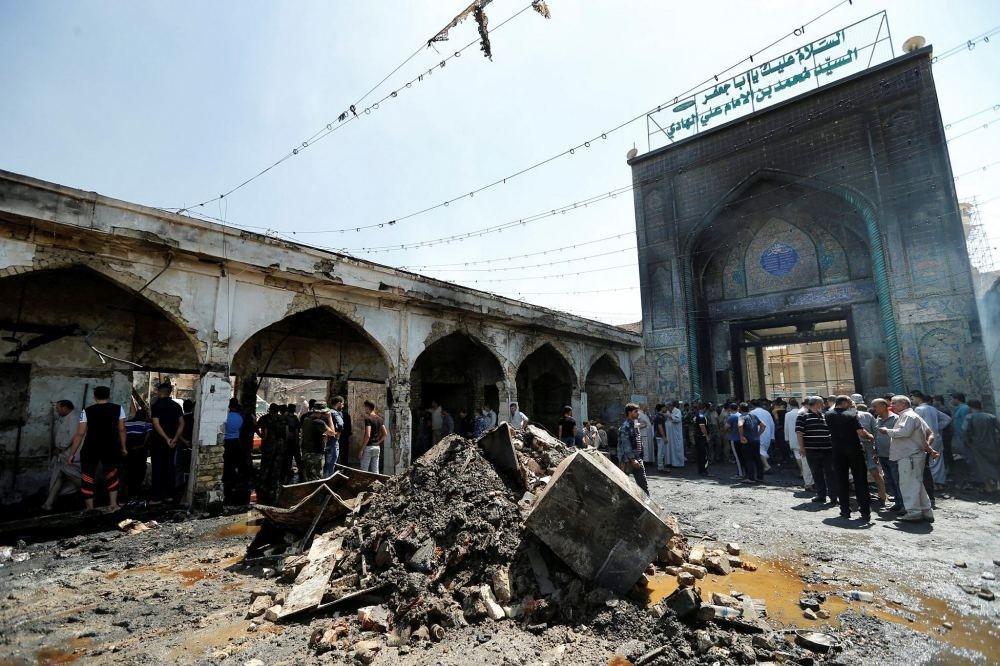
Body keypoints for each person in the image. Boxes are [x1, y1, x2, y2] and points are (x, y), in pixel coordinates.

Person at [66, 386, 127, 511]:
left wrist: (72, 454)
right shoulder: (118, 409)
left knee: (87, 477)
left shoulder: (87, 411)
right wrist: (124, 447)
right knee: (112, 475)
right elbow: (122, 429)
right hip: (111, 447)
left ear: (94, 397)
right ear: (109, 396)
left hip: (91, 447)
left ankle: (90, 508)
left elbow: (80, 433)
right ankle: (113, 504)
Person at [881, 395, 939, 522]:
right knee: (917, 484)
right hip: (913, 455)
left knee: (908, 484)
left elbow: (904, 432)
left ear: (903, 404)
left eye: (894, 403)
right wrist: (928, 448)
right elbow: (928, 432)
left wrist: (887, 431)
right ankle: (926, 510)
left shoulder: (908, 416)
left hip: (909, 456)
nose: (892, 405)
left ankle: (913, 512)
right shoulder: (911, 415)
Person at [826, 396, 876, 522]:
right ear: (844, 402)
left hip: (837, 450)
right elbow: (861, 432)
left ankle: (845, 510)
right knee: (860, 481)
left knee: (841, 480)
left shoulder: (828, 414)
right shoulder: (851, 414)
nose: (851, 404)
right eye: (849, 402)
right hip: (854, 449)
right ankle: (864, 511)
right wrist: (870, 437)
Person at [796, 396, 838, 505]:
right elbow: (799, 433)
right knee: (817, 473)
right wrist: (802, 448)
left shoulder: (824, 416)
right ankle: (821, 495)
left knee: (831, 474)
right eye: (821, 403)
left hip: (827, 450)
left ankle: (833, 496)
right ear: (816, 403)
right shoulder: (802, 416)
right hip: (812, 450)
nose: (823, 405)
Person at [42, 400, 82, 511]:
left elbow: (72, 435)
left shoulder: (74, 417)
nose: (56, 410)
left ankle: (89, 492)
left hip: (70, 454)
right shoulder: (67, 418)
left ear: (65, 407)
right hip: (63, 454)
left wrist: (60, 447)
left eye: (58, 408)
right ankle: (48, 503)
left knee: (71, 476)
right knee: (58, 476)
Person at [150, 382, 185, 504]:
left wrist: (166, 438)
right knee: (170, 467)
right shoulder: (176, 406)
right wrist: (174, 438)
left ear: (160, 392)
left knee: (157, 468)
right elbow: (182, 423)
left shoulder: (156, 405)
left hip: (159, 442)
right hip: (172, 442)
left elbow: (156, 423)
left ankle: (156, 498)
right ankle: (168, 495)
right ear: (170, 392)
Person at [912, 391, 950, 487]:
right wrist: (937, 428)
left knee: (928, 462)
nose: (912, 401)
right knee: (938, 461)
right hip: (936, 437)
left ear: (918, 398)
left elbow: (916, 425)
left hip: (926, 438)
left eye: (912, 398)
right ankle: (940, 483)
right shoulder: (932, 408)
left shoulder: (918, 409)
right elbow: (947, 419)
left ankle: (933, 485)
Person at [871, 398, 903, 511]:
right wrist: (875, 451)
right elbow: (875, 436)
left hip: (894, 454)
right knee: (889, 479)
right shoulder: (877, 420)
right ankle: (898, 502)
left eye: (875, 406)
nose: (873, 409)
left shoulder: (896, 419)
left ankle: (903, 504)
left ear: (884, 406)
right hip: (882, 455)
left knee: (897, 479)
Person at [962, 400, 1000, 492]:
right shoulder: (991, 416)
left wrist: (967, 442)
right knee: (996, 463)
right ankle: (998, 484)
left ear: (970, 407)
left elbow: (965, 431)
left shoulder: (969, 417)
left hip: (977, 445)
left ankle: (989, 487)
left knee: (982, 466)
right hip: (993, 444)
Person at [256, 403, 288, 505]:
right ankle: (273, 487)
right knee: (276, 467)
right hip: (279, 446)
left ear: (270, 409)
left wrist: (261, 435)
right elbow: (286, 433)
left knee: (265, 466)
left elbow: (256, 427)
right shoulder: (281, 419)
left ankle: (263, 485)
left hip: (268, 446)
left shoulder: (265, 418)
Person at [122, 407, 153, 504]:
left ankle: (128, 491)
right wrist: (143, 445)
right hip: (139, 450)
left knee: (128, 469)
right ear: (144, 416)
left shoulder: (127, 422)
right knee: (139, 469)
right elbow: (149, 433)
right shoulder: (146, 423)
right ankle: (136, 490)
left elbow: (122, 433)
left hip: (128, 450)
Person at [618, 403, 649, 494]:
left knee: (643, 485)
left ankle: (647, 507)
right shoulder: (625, 426)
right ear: (629, 412)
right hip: (628, 460)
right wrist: (632, 460)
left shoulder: (634, 424)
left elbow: (638, 439)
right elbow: (626, 444)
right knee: (623, 486)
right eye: (636, 411)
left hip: (637, 457)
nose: (638, 413)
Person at [222, 398, 247, 505]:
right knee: (234, 463)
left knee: (226, 462)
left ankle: (226, 480)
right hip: (236, 442)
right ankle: (233, 481)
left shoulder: (225, 417)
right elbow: (240, 429)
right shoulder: (240, 417)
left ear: (229, 406)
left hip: (227, 442)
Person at [784, 399, 813, 490]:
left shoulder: (788, 414)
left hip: (793, 437)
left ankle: (802, 471)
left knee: (798, 455)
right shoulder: (805, 412)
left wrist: (786, 438)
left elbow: (786, 427)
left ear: (789, 405)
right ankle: (806, 474)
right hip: (805, 437)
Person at [737, 402, 764, 484]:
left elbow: (740, 425)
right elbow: (763, 426)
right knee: (757, 459)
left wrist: (741, 436)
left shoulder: (742, 417)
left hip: (747, 441)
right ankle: (760, 477)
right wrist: (758, 434)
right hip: (756, 440)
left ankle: (751, 478)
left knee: (748, 459)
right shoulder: (754, 416)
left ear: (740, 409)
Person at [360, 400, 388, 473]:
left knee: (364, 471)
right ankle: (377, 484)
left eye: (365, 407)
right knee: (375, 471)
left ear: (367, 407)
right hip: (377, 447)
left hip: (368, 447)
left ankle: (364, 484)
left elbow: (368, 435)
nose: (364, 409)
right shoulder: (380, 419)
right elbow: (385, 434)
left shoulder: (368, 418)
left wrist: (362, 449)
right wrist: (378, 442)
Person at [750, 401, 775, 473]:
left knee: (760, 450)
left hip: (757, 433)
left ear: (752, 406)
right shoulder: (767, 412)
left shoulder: (752, 413)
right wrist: (772, 436)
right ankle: (764, 465)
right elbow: (772, 424)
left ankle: (766, 465)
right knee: (763, 449)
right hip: (767, 433)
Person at [325, 396, 346, 476]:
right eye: (342, 404)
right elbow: (340, 424)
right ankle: (328, 482)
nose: (343, 406)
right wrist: (338, 435)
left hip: (326, 441)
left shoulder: (327, 412)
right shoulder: (334, 412)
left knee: (327, 463)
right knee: (331, 464)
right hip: (333, 441)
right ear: (339, 403)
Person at [283, 403, 303, 484]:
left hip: (291, 441)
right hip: (293, 441)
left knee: (290, 458)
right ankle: (299, 472)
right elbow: (295, 429)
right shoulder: (293, 418)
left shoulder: (289, 417)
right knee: (295, 457)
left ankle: (289, 473)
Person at [725, 403, 745, 480]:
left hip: (735, 438)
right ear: (738, 408)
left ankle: (740, 474)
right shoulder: (741, 415)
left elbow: (725, 427)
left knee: (737, 457)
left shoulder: (732, 417)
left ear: (730, 408)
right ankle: (744, 472)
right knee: (742, 456)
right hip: (742, 439)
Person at [950, 393, 971, 461]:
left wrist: (966, 437)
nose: (951, 401)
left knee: (968, 454)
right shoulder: (959, 408)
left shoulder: (964, 408)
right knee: (965, 453)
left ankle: (973, 470)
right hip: (960, 436)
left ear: (957, 399)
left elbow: (967, 424)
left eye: (952, 399)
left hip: (964, 436)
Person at [666, 401, 685, 469]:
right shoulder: (668, 411)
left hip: (676, 433)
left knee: (677, 447)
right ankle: (670, 462)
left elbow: (677, 419)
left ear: (672, 406)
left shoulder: (677, 411)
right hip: (670, 434)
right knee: (670, 447)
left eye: (668, 407)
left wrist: (670, 417)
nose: (668, 409)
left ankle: (678, 463)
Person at [692, 401, 710, 476]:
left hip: (697, 437)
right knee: (704, 455)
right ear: (704, 408)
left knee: (700, 455)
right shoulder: (701, 416)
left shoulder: (696, 415)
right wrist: (707, 436)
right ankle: (704, 471)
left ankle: (701, 470)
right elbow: (702, 427)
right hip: (701, 437)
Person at [653, 404, 669, 472]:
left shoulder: (659, 416)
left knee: (661, 452)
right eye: (665, 407)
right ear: (662, 408)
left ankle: (661, 467)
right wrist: (664, 437)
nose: (666, 409)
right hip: (660, 436)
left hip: (659, 436)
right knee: (661, 452)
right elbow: (660, 427)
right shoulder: (659, 417)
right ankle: (660, 467)